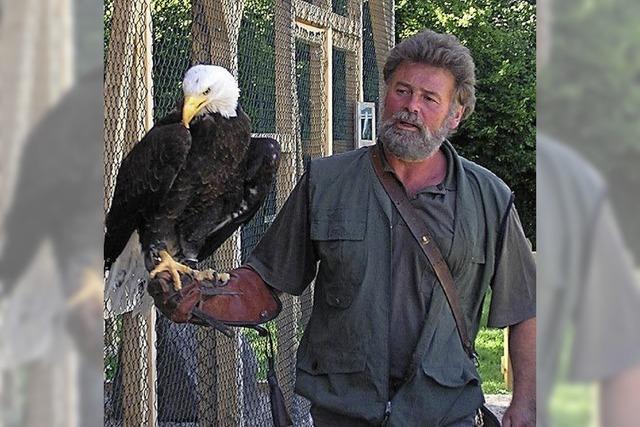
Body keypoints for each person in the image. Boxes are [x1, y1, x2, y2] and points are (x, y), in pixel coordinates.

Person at [154, 29, 537, 426]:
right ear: (384, 93)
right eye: (402, 91)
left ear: (455, 114)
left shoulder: (488, 198)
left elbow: (526, 307)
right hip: (343, 411)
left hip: (443, 412)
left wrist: (525, 404)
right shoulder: (326, 181)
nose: (411, 107)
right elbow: (264, 281)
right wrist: (203, 296)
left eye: (429, 98)